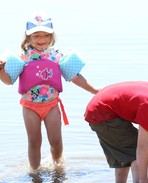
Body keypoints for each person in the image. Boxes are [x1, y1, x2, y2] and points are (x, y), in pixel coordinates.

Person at [0, 11, 99, 171]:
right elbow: (7, 81)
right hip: (30, 107)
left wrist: (95, 90)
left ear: (52, 36)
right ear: (28, 37)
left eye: (45, 35)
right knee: (34, 141)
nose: (41, 40)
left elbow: (74, 76)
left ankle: (58, 167)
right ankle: (34, 172)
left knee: (56, 140)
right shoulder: (22, 57)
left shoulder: (58, 56)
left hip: (52, 106)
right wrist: (1, 71)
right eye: (36, 35)